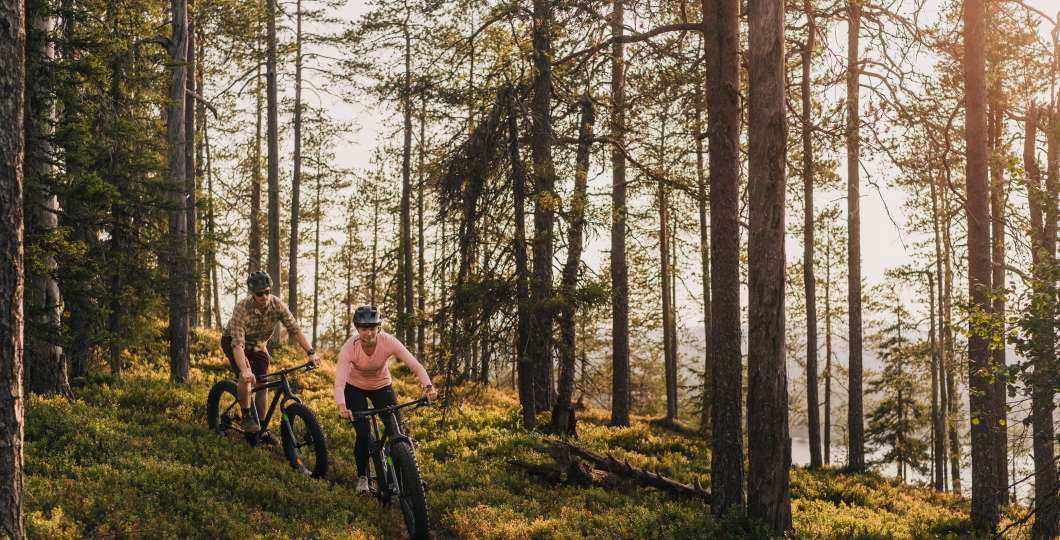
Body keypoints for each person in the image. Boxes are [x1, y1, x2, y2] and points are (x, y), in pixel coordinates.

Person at [334, 305, 437, 494]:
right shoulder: (349, 348)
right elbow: (339, 382)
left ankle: (409, 477)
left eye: (373, 328)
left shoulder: (388, 341)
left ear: (378, 327)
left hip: (382, 386)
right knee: (363, 433)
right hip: (354, 388)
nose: (369, 333)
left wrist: (428, 387)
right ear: (357, 329)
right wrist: (342, 405)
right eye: (364, 328)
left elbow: (415, 366)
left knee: (398, 433)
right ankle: (363, 477)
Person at [223, 271, 319, 433]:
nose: (264, 296)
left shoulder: (276, 304)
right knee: (245, 377)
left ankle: (262, 428)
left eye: (267, 292)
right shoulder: (242, 308)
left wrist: (311, 352)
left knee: (263, 384)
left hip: (258, 345)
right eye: (260, 294)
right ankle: (246, 415)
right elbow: (238, 345)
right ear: (252, 294)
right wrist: (245, 370)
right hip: (233, 342)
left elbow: (295, 330)